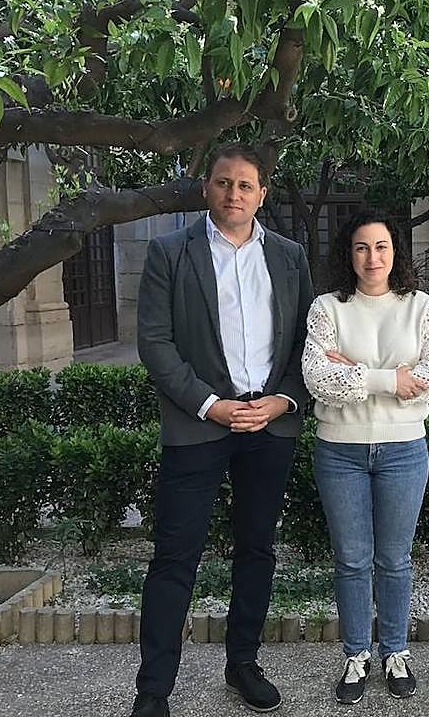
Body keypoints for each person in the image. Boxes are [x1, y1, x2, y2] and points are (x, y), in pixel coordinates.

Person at [132, 143, 313, 717]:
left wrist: (284, 401)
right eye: (223, 183)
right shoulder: (169, 252)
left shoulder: (289, 256)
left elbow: (308, 345)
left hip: (268, 424)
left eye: (245, 185)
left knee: (256, 550)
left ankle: (243, 664)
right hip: (198, 426)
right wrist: (208, 404)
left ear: (261, 194)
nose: (233, 194)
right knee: (174, 556)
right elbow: (155, 344)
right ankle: (153, 690)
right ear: (206, 188)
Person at [301, 210, 429, 703]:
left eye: (381, 247)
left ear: (395, 253)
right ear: (350, 254)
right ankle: (357, 654)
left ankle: (396, 652)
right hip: (339, 450)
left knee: (394, 559)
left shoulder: (419, 305)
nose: (372, 257)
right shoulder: (327, 308)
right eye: (362, 247)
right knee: (351, 559)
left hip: (404, 448)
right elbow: (318, 378)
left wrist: (355, 372)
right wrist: (389, 377)